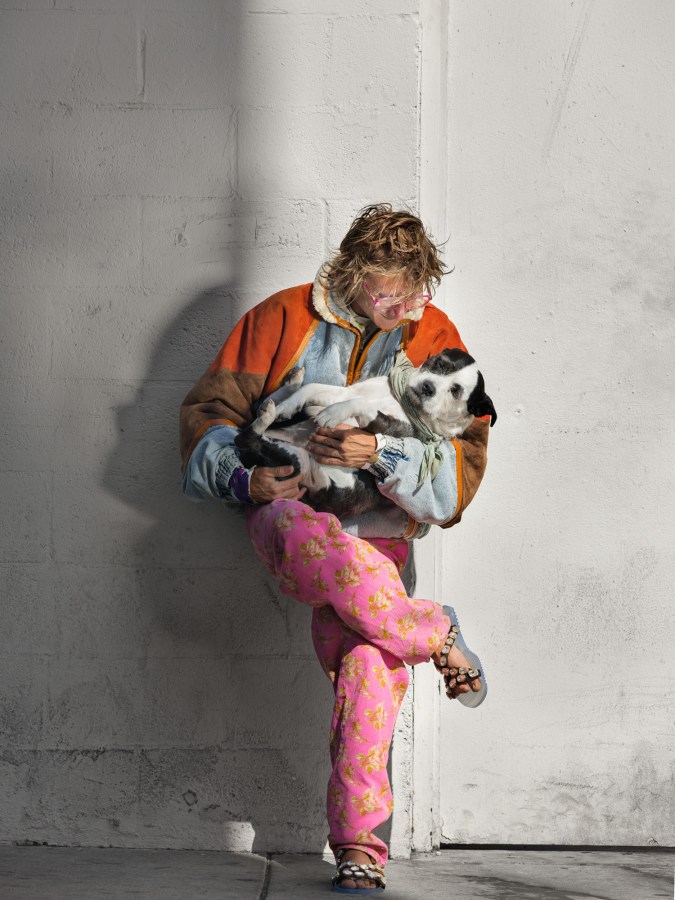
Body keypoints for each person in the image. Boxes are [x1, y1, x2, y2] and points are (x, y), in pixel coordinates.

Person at [179, 204, 492, 894]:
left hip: (379, 547)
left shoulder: (434, 336)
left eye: (415, 292)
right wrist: (246, 476)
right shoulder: (278, 319)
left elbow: (458, 480)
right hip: (288, 519)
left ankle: (360, 852)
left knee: (369, 680)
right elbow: (206, 419)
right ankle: (435, 631)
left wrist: (379, 451)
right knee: (297, 527)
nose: (403, 307)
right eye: (388, 293)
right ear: (351, 275)